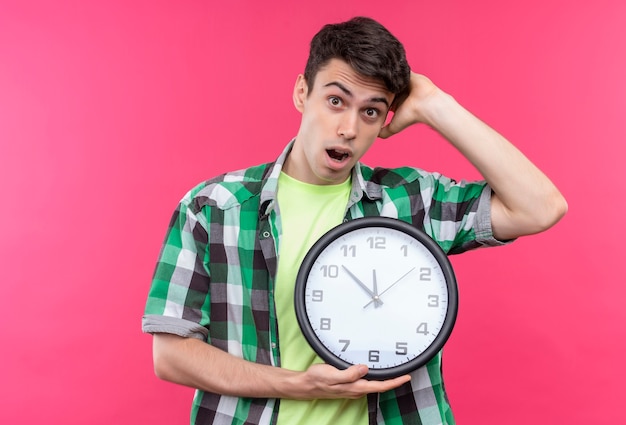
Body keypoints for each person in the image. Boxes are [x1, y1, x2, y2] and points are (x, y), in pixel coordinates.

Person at [142, 16, 567, 425]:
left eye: (370, 112)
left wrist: (435, 104)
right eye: (335, 101)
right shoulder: (214, 207)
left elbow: (540, 207)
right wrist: (300, 386)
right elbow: (172, 354)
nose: (348, 128)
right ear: (301, 92)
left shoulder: (411, 200)